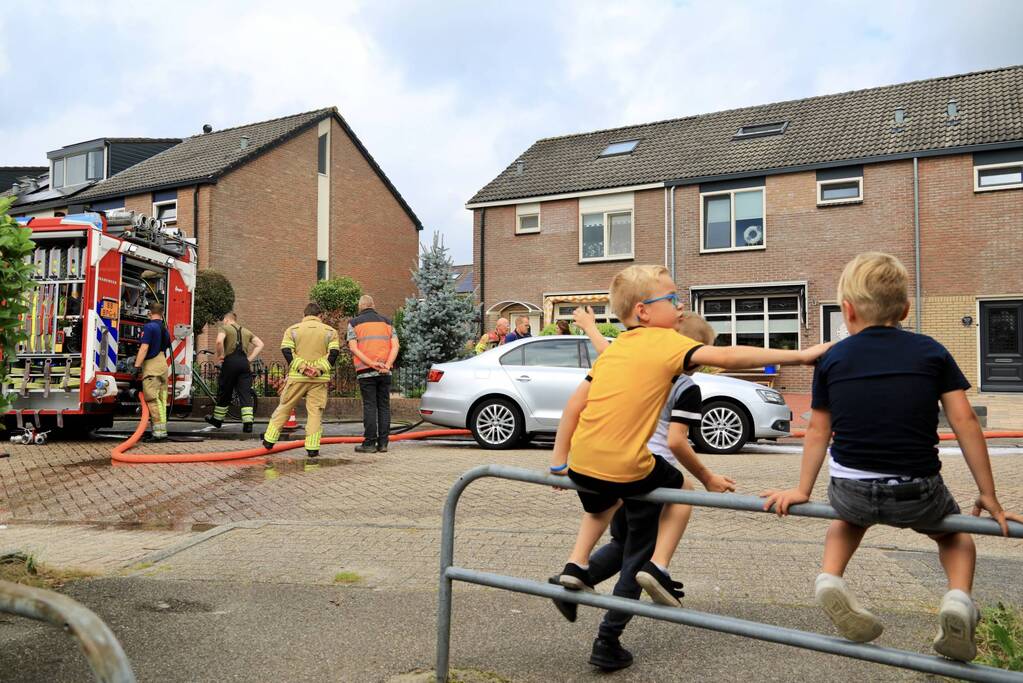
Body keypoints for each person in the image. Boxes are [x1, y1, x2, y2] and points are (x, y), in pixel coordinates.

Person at [547, 264, 830, 671]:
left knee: (618, 537)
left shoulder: (619, 348)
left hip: (582, 466)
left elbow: (576, 404)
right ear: (644, 311)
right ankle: (639, 596)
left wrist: (559, 463)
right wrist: (801, 355)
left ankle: (577, 572)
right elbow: (730, 355)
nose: (680, 308)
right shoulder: (665, 345)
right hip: (629, 468)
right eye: (673, 300)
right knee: (660, 515)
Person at [761, 252, 1023, 662]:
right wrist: (988, 494)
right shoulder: (931, 351)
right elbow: (965, 422)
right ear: (904, 309)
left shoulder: (832, 359)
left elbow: (817, 430)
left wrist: (801, 488)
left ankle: (830, 577)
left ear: (846, 310)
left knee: (845, 519)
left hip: (851, 488)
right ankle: (958, 599)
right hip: (917, 489)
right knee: (954, 536)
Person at [551, 310, 736, 624]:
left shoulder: (635, 369)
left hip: (613, 464)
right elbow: (677, 441)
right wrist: (706, 477)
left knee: (621, 541)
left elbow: (607, 355)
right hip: (647, 475)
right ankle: (609, 640)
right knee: (640, 559)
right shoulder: (686, 387)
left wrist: (590, 327)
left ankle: (573, 581)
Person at [261, 303, 341, 458]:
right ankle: (312, 449)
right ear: (320, 316)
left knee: (285, 406)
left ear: (304, 315)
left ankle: (269, 441)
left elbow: (286, 351)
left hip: (297, 378)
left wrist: (303, 368)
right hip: (319, 379)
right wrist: (318, 369)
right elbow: (333, 354)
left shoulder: (292, 330)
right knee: (315, 413)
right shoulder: (330, 332)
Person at [347, 295, 399, 454]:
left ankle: (369, 443)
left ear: (360, 307)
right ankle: (383, 443)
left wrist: (371, 364)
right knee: (384, 406)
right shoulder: (387, 322)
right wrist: (387, 365)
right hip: (385, 371)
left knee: (370, 406)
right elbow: (396, 346)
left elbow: (354, 348)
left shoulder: (354, 323)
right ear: (373, 305)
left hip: (365, 372)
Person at [205, 311, 264, 432]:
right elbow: (260, 344)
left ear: (226, 320)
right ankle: (248, 424)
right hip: (244, 363)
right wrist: (249, 359)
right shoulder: (246, 331)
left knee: (225, 391)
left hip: (230, 362)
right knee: (245, 393)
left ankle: (217, 420)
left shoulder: (224, 328)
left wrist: (221, 355)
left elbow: (219, 341)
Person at [133, 302, 172, 442]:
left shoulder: (149, 327)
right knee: (162, 399)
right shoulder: (165, 329)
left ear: (149, 313)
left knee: (152, 399)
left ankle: (158, 434)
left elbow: (144, 348)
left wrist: (136, 366)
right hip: (163, 364)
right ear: (162, 314)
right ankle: (160, 431)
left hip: (152, 366)